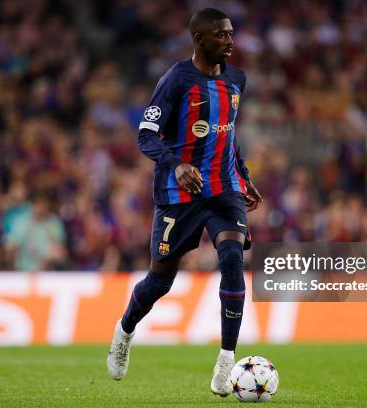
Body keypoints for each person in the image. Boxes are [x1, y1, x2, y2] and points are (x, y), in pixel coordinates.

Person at [106, 8, 262, 397]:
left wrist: (243, 175)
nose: (230, 41)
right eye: (221, 35)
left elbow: (227, 136)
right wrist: (176, 165)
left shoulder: (237, 80)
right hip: (180, 194)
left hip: (225, 190)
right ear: (200, 39)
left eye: (231, 34)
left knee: (231, 259)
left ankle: (226, 362)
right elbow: (146, 135)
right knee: (160, 280)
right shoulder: (176, 80)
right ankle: (125, 329)